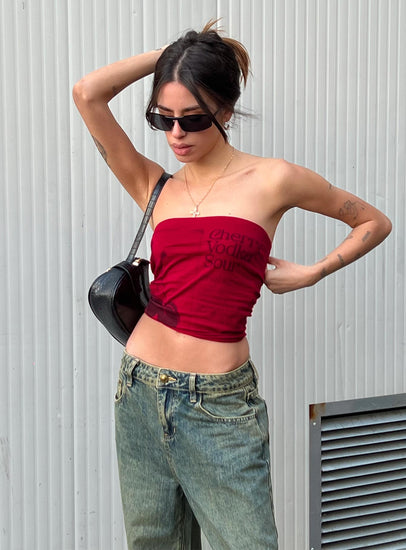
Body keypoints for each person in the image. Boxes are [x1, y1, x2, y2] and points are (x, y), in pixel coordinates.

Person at [73, 20, 391, 550]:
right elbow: (88, 93)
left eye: (193, 118)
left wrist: (313, 272)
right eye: (163, 119)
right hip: (139, 392)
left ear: (225, 110)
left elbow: (373, 222)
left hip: (219, 406)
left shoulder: (274, 179)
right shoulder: (155, 185)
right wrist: (174, 55)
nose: (176, 134)